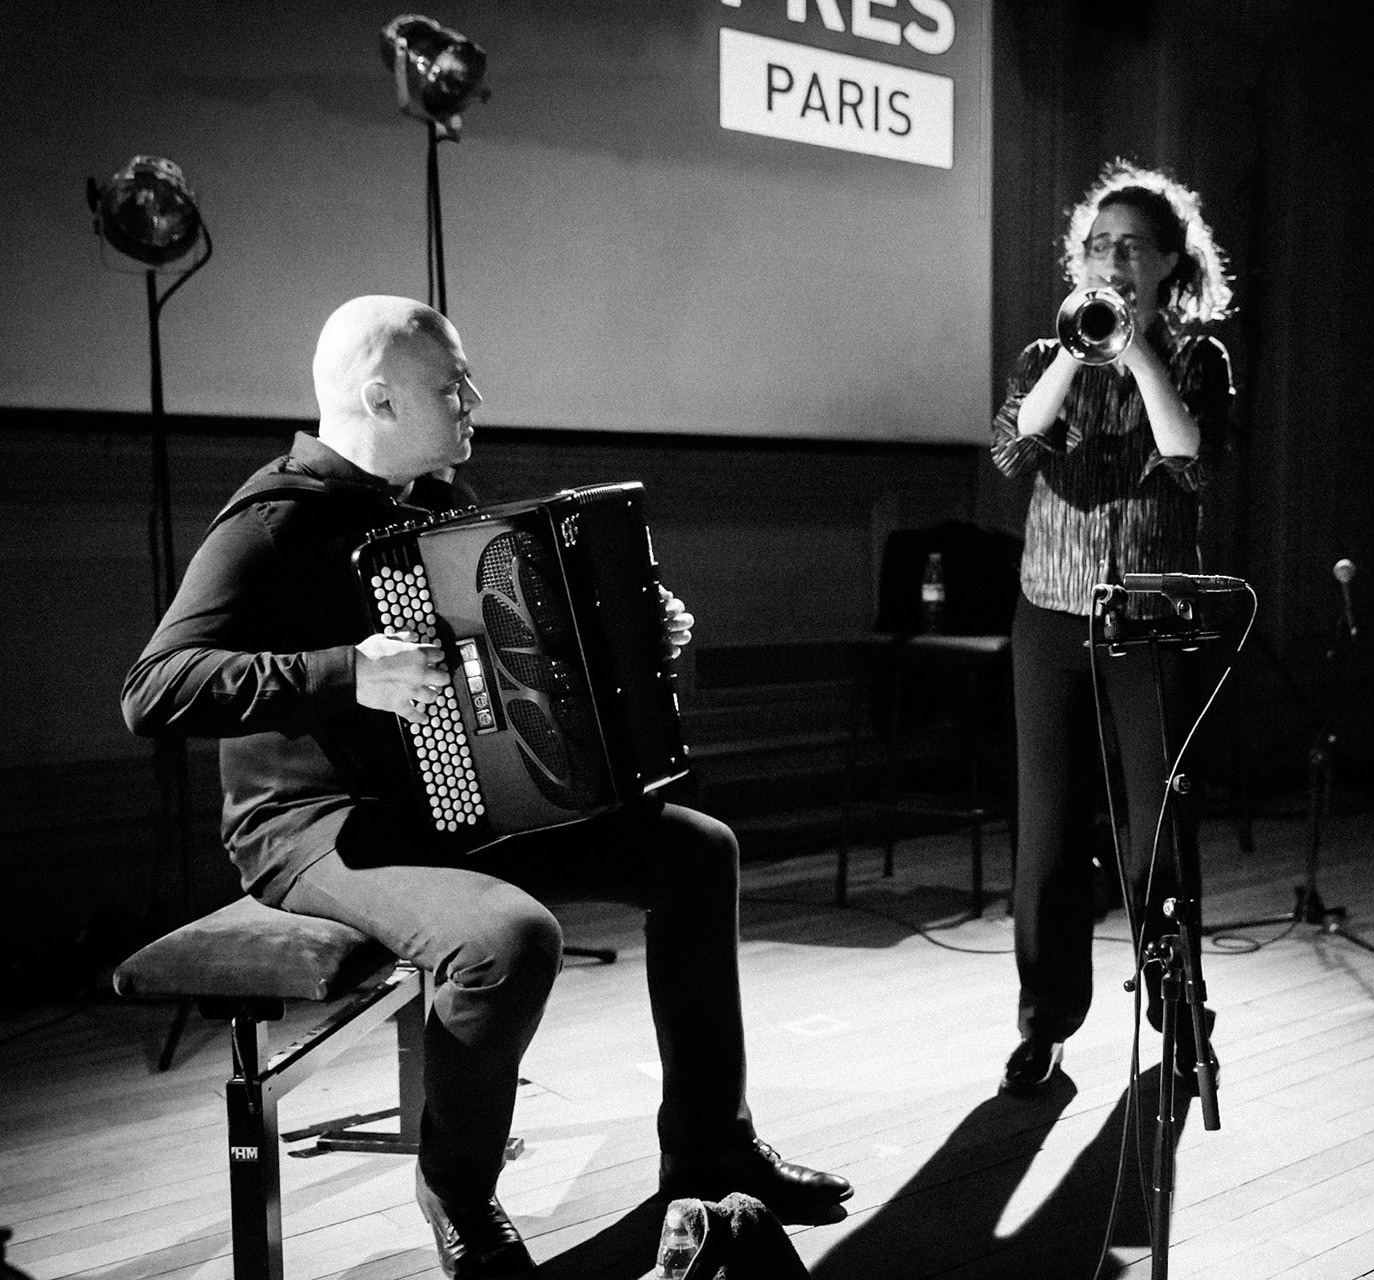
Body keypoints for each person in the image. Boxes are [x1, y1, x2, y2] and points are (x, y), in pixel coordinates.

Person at [122, 296, 850, 1280]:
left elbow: (520, 657)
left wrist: (640, 632)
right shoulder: (276, 517)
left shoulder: (431, 503)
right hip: (313, 825)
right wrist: (351, 671)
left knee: (695, 849)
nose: (474, 398)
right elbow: (152, 688)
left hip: (449, 801)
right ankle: (460, 1193)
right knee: (508, 938)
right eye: (451, 382)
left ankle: (710, 1142)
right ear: (379, 394)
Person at [988, 161, 1235, 1094]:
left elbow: (1188, 460)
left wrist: (1137, 353)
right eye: (1099, 246)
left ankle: (1178, 1024)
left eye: (1132, 246)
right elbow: (1015, 449)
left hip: (1153, 618)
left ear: (1171, 260)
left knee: (1156, 837)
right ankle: (1044, 1022)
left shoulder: (1199, 359)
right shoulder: (1044, 353)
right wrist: (1075, 353)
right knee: (1047, 838)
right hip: (1050, 612)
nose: (1113, 259)